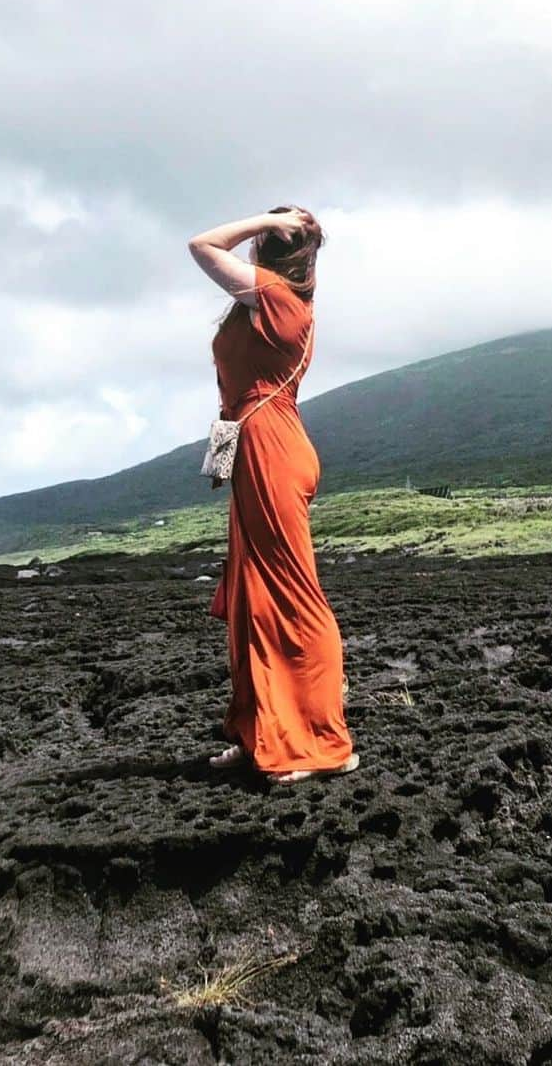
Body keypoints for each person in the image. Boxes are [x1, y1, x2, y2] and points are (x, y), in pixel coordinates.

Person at [188, 205, 358, 786]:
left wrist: (260, 216)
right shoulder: (260, 304)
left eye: (264, 238)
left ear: (276, 248)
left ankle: (320, 742)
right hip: (254, 443)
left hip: (272, 448)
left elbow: (201, 245)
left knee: (291, 594)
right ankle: (257, 729)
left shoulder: (282, 301)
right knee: (248, 597)